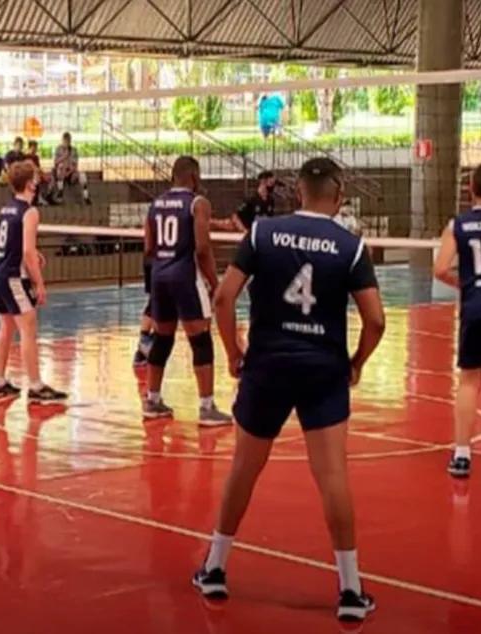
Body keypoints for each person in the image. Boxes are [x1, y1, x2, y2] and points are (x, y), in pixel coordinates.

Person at [196, 158, 385, 622]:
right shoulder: (351, 245)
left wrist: (233, 351)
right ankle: (350, 590)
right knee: (332, 478)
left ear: (298, 192)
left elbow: (223, 297)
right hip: (323, 370)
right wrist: (355, 363)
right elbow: (376, 319)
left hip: (268, 366)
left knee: (245, 466)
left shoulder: (262, 234)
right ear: (338, 197)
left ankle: (216, 568)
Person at [142, 156, 231, 425]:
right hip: (184, 276)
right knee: (201, 340)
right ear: (193, 177)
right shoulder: (197, 203)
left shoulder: (155, 204)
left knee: (162, 338)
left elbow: (148, 248)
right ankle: (206, 407)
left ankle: (152, 400)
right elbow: (202, 248)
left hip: (159, 275)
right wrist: (215, 284)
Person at [434, 162, 481, 478]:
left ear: (470, 190)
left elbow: (439, 270)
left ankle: (462, 455)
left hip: (476, 310)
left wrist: (466, 284)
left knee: (470, 380)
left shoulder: (457, 225)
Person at [0, 160, 67, 404]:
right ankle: (35, 386)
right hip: (13, 275)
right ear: (30, 184)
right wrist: (39, 283)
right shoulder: (30, 212)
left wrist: (31, 253)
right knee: (28, 328)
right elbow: (27, 253)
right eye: (35, 178)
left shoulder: (6, 209)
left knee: (7, 327)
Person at [52, 132, 90, 205]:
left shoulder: (74, 150)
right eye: (65, 140)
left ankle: (86, 197)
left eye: (68, 140)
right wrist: (64, 156)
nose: (67, 142)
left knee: (82, 175)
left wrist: (70, 172)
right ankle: (60, 192)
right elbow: (55, 162)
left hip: (71, 172)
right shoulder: (58, 149)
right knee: (60, 168)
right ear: (62, 140)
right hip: (61, 172)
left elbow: (75, 164)